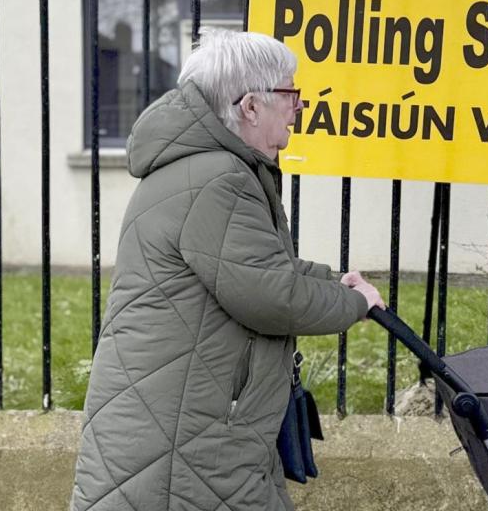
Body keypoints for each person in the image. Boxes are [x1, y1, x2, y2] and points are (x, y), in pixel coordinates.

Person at [71, 29, 385, 511]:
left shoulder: (207, 169)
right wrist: (354, 304)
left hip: (180, 421)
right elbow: (269, 296)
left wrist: (329, 280)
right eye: (290, 92)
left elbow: (253, 264)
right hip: (185, 434)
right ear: (250, 107)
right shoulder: (219, 179)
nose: (300, 105)